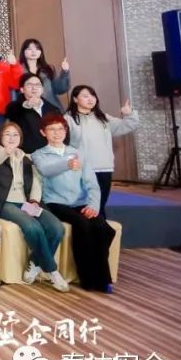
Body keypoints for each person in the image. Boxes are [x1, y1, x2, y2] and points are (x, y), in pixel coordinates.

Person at [31, 113, 117, 292]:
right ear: (43, 132)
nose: (57, 133)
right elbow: (46, 170)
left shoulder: (78, 153)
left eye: (60, 129)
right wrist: (67, 163)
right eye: (51, 129)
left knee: (104, 229)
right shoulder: (39, 154)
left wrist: (93, 206)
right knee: (82, 225)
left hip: (80, 202)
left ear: (66, 131)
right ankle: (88, 279)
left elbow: (92, 183)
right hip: (56, 203)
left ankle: (102, 278)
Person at [0, 122, 68, 292]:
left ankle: (35, 262)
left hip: (25, 203)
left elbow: (36, 182)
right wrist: (7, 150)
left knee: (57, 227)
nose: (11, 138)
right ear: (0, 137)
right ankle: (53, 271)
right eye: (7, 134)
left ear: (20, 139)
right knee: (32, 227)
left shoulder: (25, 158)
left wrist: (34, 200)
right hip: (2, 202)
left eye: (16, 135)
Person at [67, 86, 139, 217]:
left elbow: (126, 126)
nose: (90, 99)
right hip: (82, 170)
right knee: (86, 207)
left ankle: (101, 227)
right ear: (75, 99)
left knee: (100, 205)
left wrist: (129, 114)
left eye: (93, 96)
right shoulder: (68, 119)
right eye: (85, 96)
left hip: (104, 168)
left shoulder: (103, 118)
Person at [5, 74, 62, 153]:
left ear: (42, 89)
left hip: (51, 153)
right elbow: (12, 110)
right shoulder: (15, 107)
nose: (34, 88)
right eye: (29, 85)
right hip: (26, 155)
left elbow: (63, 131)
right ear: (22, 89)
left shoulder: (53, 109)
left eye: (38, 85)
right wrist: (26, 105)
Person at [12, 38, 71, 106]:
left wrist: (65, 72)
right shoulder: (17, 69)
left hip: (49, 107)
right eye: (29, 49)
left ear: (40, 52)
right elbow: (15, 91)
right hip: (26, 107)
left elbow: (59, 89)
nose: (33, 51)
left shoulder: (48, 68)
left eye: (37, 49)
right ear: (23, 52)